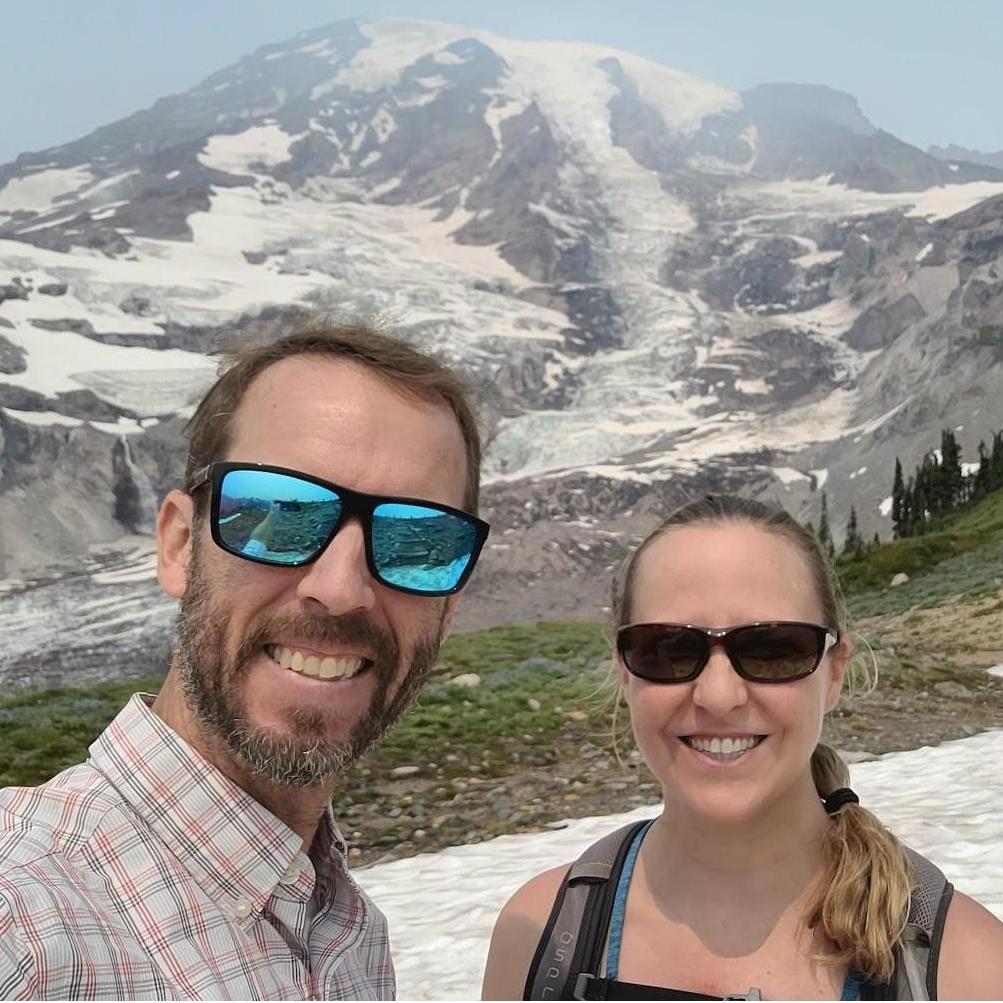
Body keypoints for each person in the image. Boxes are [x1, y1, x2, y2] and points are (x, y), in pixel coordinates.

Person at [0, 325, 489, 1000]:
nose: (340, 587)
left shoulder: (347, 933)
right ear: (177, 544)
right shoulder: (22, 922)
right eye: (279, 514)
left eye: (417, 541)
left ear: (450, 602)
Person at [482, 495, 1003, 1000]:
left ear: (835, 669)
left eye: (774, 649)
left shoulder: (970, 969)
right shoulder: (537, 941)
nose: (719, 696)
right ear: (624, 670)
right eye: (667, 649)